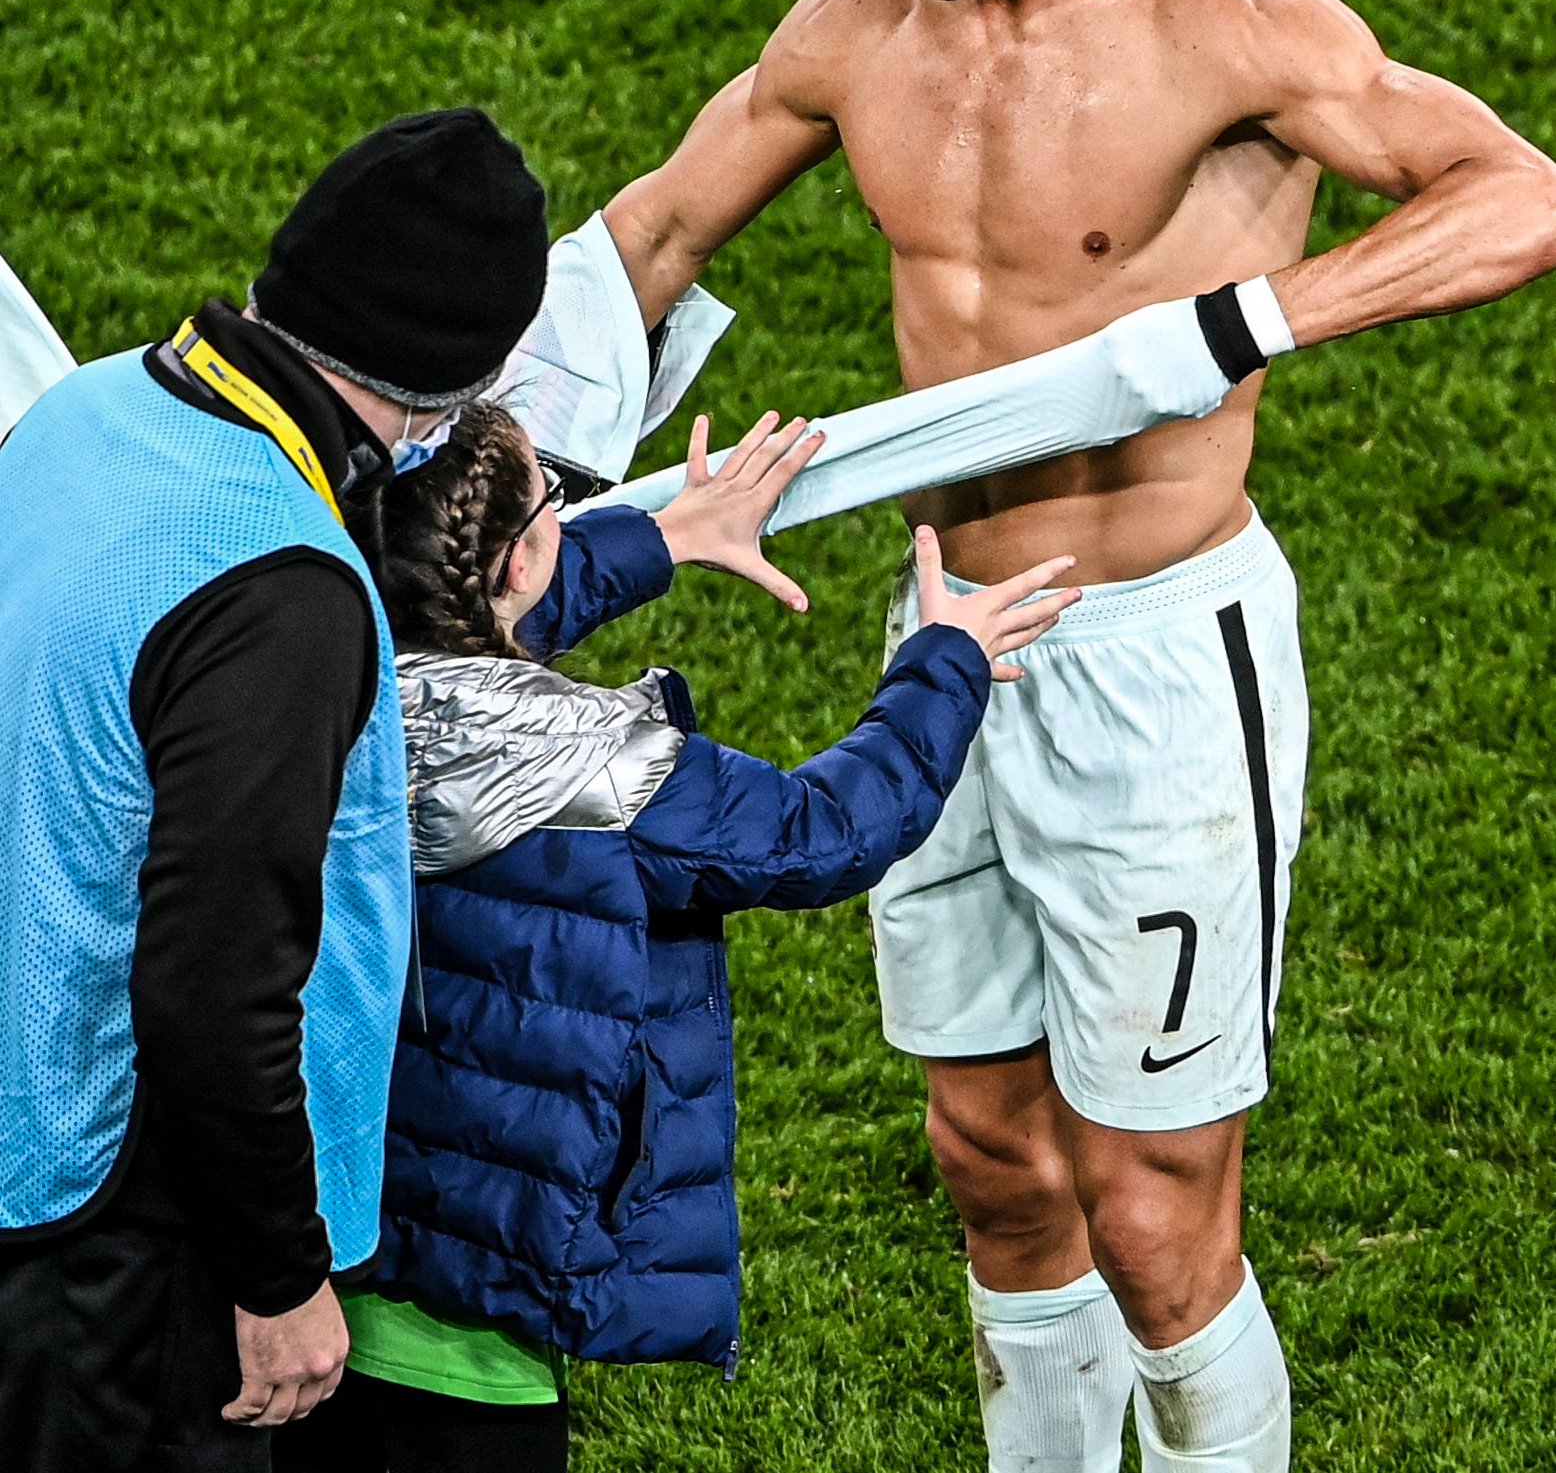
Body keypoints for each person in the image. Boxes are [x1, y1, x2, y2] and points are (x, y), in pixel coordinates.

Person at [599, 0, 1556, 1472]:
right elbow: (651, 231)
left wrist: (1239, 324)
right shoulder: (856, 30)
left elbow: (1517, 193)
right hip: (948, 641)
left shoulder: (1215, 15)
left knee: (1151, 1203)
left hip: (1154, 658)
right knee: (988, 1159)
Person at [271, 400, 1079, 1473]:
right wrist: (943, 661)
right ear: (515, 560)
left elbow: (461, 615)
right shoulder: (596, 769)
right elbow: (817, 834)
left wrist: (664, 535)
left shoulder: (307, 679)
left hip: (310, 1277)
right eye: (556, 501)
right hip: (482, 1341)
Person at [0, 107, 548, 1472]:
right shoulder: (283, 596)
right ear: (461, 382)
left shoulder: (90, 407)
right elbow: (212, 980)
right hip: (116, 1220)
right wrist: (280, 1278)